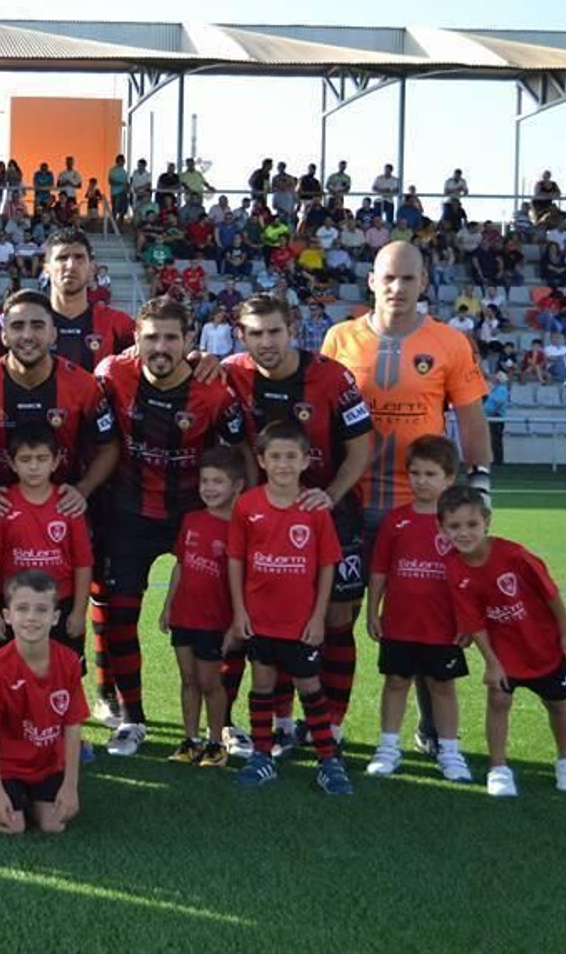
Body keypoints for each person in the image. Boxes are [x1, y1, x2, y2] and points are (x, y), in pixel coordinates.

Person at [322, 240, 492, 757]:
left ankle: (431, 727)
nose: (398, 288)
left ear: (424, 283)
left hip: (421, 510)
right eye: (388, 278)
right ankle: (329, 722)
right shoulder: (340, 337)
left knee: (428, 617)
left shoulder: (450, 343)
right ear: (371, 281)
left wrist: (479, 493)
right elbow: (319, 408)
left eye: (408, 279)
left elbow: (470, 422)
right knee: (338, 616)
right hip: (349, 506)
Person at [92, 297, 248, 755]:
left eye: (171, 338)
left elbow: (241, 452)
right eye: (151, 337)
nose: (160, 347)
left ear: (188, 340)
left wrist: (249, 512)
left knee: (222, 617)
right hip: (127, 514)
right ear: (136, 340)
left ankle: (225, 723)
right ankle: (132, 719)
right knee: (120, 615)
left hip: (192, 515)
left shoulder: (214, 392)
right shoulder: (112, 376)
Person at [225, 294, 374, 746]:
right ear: (241, 335)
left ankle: (332, 721)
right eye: (255, 333)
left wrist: (328, 497)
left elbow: (362, 447)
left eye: (274, 331)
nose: (266, 341)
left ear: (291, 329)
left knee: (335, 618)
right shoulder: (233, 372)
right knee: (273, 615)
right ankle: (285, 721)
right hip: (267, 514)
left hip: (331, 510)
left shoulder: (331, 376)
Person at [227, 422, 352, 794]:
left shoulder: (314, 508)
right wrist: (239, 611)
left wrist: (317, 617)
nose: (283, 464)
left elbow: (328, 563)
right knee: (262, 683)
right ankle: (262, 756)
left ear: (304, 461)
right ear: (262, 461)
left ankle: (328, 760)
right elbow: (236, 560)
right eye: (275, 457)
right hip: (258, 617)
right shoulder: (247, 505)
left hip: (300, 622)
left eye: (291, 457)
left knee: (310, 686)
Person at [440, 486, 566, 796]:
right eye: (454, 526)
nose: (464, 533)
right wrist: (492, 663)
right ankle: (499, 768)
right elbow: (473, 621)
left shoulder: (514, 555)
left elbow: (550, 592)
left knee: (557, 704)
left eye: (472, 525)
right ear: (442, 529)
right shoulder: (454, 569)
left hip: (542, 644)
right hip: (504, 650)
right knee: (499, 700)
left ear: (487, 522)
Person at [362, 436, 472, 783]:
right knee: (395, 681)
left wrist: (469, 619)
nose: (422, 480)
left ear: (449, 477)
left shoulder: (459, 525)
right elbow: (379, 569)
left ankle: (449, 751)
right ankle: (388, 747)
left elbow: (471, 576)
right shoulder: (396, 521)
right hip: (400, 621)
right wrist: (372, 611)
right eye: (415, 473)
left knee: (442, 685)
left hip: (443, 625)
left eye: (430, 473)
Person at [0, 569, 87, 834]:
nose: (31, 617)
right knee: (12, 826)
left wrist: (70, 785)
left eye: (41, 610)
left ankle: (30, 799)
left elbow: (73, 726)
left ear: (55, 617)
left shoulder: (68, 662)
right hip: (8, 765)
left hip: (46, 763)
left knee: (54, 825)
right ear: (8, 616)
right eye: (22, 608)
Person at [0, 289, 118, 495]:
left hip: (63, 508)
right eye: (17, 326)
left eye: (37, 326)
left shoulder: (83, 384)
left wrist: (82, 489)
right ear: (4, 336)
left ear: (53, 335)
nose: (27, 336)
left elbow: (109, 447)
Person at [0, 423, 94, 661]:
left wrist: (79, 612)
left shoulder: (69, 505)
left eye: (41, 458)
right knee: (14, 678)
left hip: (60, 604)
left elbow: (83, 563)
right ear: (11, 463)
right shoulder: (1, 506)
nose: (33, 466)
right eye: (25, 459)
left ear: (55, 461)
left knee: (62, 677)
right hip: (14, 606)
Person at [158, 447, 244, 767]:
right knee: (188, 680)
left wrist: (236, 622)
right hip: (184, 616)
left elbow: (243, 581)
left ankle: (215, 742)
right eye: (205, 481)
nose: (209, 488)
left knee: (211, 683)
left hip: (214, 621)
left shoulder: (240, 527)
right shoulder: (192, 519)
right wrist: (168, 606)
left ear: (237, 486)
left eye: (218, 482)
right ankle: (190, 740)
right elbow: (180, 565)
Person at [0, 232, 135, 371]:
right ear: (46, 268)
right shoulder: (18, 321)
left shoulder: (117, 323)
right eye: (62, 258)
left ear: (92, 267)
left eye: (79, 258)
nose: (71, 265)